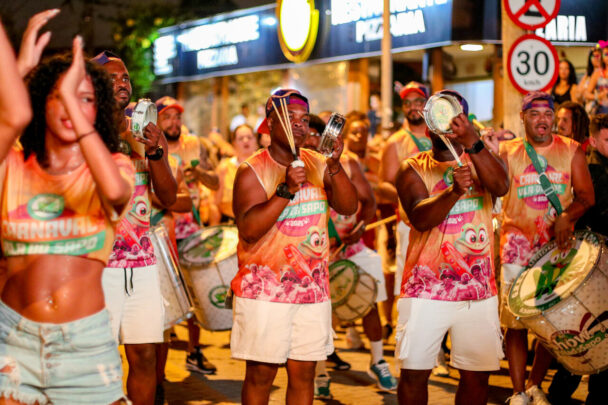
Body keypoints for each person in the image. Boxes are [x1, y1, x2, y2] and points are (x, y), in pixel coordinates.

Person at [0, 11, 134, 403]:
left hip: (85, 347)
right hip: (11, 340)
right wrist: (20, 73)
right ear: (41, 102)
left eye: (85, 99)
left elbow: (116, 193)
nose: (69, 106)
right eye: (57, 96)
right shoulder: (12, 166)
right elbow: (12, 118)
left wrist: (73, 99)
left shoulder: (115, 167)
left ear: (98, 109)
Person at [230, 89, 357, 405]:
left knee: (304, 375)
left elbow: (348, 206)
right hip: (264, 293)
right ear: (270, 123)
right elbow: (249, 230)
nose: (299, 125)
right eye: (290, 118)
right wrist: (286, 189)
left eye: (304, 119)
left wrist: (335, 165)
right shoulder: (251, 169)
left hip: (312, 291)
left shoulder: (318, 162)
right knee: (261, 376)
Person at [394, 90, 508, 405]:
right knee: (414, 373)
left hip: (478, 289)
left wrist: (474, 143)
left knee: (476, 376)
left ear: (464, 121)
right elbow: (420, 218)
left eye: (452, 117)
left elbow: (500, 186)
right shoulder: (411, 168)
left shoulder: (481, 157)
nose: (444, 124)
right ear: (428, 125)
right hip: (425, 288)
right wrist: (453, 191)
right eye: (438, 117)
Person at [498, 92, 594, 405]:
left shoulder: (572, 150)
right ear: (523, 117)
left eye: (548, 114)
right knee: (515, 322)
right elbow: (491, 188)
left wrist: (566, 217)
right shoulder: (507, 152)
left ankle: (534, 385)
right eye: (535, 114)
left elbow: (586, 196)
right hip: (516, 248)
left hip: (556, 249)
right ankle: (517, 392)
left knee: (551, 321)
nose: (543, 120)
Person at [94, 51, 178, 405]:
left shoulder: (145, 132)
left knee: (144, 356)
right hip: (99, 266)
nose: (121, 84)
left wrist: (155, 152)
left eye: (125, 78)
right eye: (111, 78)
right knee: (100, 362)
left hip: (141, 264)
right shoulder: (85, 134)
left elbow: (168, 196)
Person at [312, 112, 396, 398]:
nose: (321, 137)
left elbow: (369, 201)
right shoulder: (302, 164)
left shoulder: (348, 162)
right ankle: (320, 372)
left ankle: (378, 360)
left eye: (325, 132)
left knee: (368, 296)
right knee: (319, 311)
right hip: (317, 252)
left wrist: (360, 228)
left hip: (353, 246)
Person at [154, 96, 220, 375]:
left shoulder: (193, 144)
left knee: (194, 291)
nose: (174, 122)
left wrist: (199, 171)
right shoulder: (152, 147)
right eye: (167, 117)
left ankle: (194, 351)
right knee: (165, 295)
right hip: (160, 228)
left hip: (190, 228)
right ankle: (159, 363)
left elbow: (215, 182)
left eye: (177, 116)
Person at [546, 113, 608, 405]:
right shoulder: (590, 170)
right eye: (607, 139)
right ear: (593, 141)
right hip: (592, 261)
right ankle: (560, 394)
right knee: (587, 333)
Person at [377, 81, 430, 341]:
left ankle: (437, 346)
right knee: (408, 282)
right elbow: (383, 185)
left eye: (418, 101)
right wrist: (409, 195)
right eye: (407, 103)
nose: (413, 107)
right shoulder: (396, 142)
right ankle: (406, 340)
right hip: (409, 224)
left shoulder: (440, 135)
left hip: (445, 222)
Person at [215, 124, 259, 222]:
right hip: (230, 223)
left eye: (249, 137)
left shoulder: (264, 165)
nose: (245, 141)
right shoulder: (224, 167)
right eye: (240, 138)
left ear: (255, 141)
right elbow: (215, 202)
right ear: (234, 143)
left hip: (258, 221)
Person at [584, 44, 608, 114]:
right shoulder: (598, 73)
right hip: (602, 111)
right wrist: (598, 96)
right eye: (606, 54)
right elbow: (586, 94)